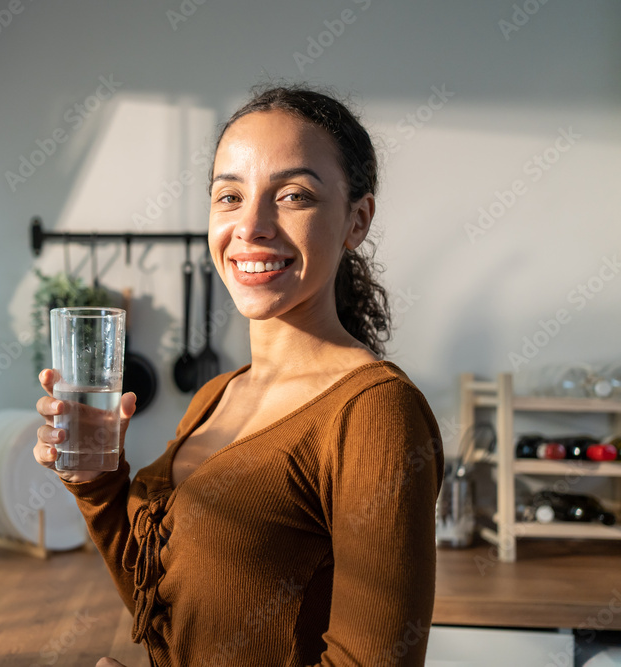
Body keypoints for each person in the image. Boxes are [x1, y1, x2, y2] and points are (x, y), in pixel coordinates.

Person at [34, 84, 444, 667]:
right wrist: (97, 479)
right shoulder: (215, 394)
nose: (251, 226)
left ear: (358, 219)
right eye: (230, 196)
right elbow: (170, 605)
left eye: (294, 195)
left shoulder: (375, 413)